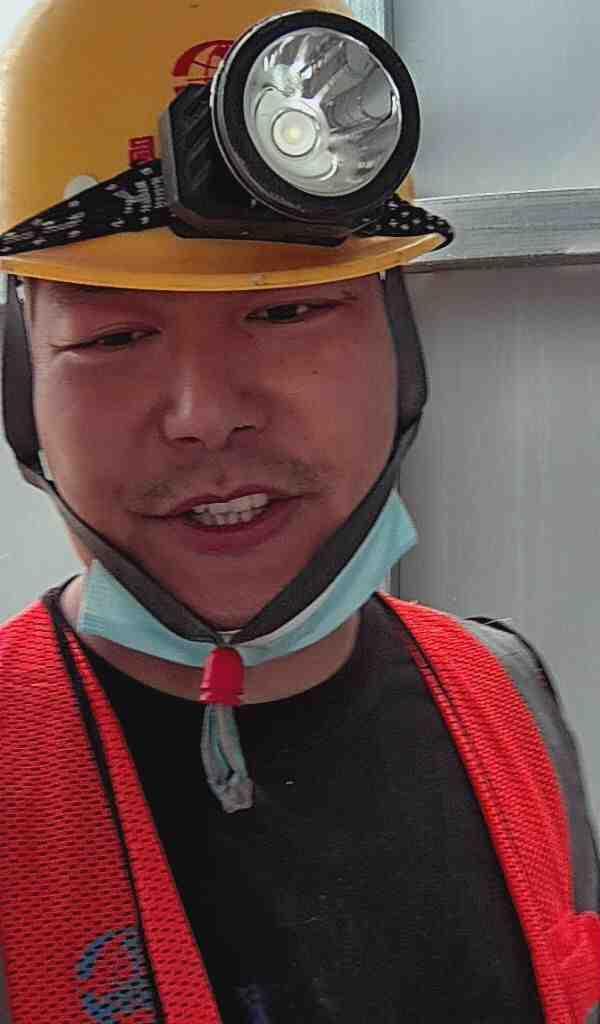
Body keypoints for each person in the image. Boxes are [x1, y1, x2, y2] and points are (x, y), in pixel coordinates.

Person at [0, 1, 599, 1022]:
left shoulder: (511, 698)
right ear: (23, 390)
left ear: (399, 348)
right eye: (113, 338)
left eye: (286, 311)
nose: (205, 416)